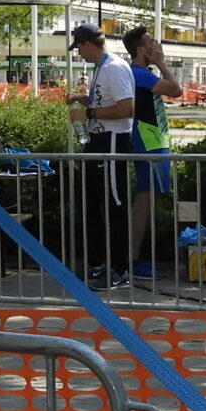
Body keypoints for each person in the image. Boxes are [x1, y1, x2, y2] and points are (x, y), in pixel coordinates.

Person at [67, 24, 137, 288]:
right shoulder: (101, 68)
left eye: (79, 48)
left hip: (113, 142)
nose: (79, 54)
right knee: (91, 204)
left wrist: (88, 114)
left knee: (115, 206)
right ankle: (96, 264)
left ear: (87, 44)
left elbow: (126, 108)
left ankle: (120, 269)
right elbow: (104, 102)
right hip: (99, 140)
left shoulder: (114, 68)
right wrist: (82, 99)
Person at [124, 30, 169, 282]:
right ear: (142, 49)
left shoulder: (142, 74)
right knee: (143, 202)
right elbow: (175, 89)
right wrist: (161, 62)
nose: (157, 45)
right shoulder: (138, 73)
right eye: (152, 42)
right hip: (148, 145)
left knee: (146, 202)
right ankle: (132, 258)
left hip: (154, 143)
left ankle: (133, 256)